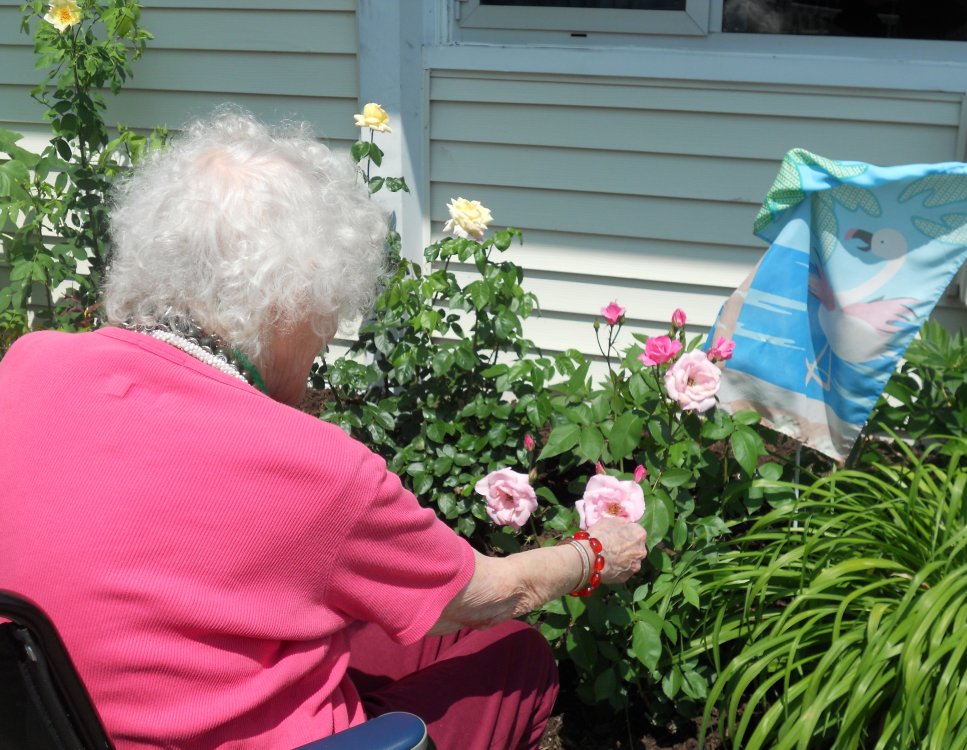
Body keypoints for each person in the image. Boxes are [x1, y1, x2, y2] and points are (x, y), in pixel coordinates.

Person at [0, 110, 647, 750]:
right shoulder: (312, 465)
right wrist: (593, 556)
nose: (324, 343)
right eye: (327, 313)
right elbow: (488, 592)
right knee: (513, 660)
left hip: (56, 716)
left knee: (369, 627)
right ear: (293, 302)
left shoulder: (30, 364)